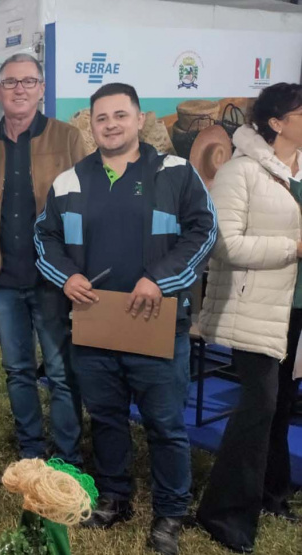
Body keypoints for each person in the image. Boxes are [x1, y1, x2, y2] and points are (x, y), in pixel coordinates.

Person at [35, 83, 216, 555]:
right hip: (96, 324)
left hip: (157, 320)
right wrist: (67, 276)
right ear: (90, 125)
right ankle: (115, 497)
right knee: (108, 417)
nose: (111, 125)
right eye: (101, 118)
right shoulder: (70, 180)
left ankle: (171, 511)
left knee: (164, 423)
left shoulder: (175, 173)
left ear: (140, 119)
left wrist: (160, 278)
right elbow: (45, 237)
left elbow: (204, 230)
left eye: (120, 115)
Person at [0, 53, 88, 461]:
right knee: (17, 370)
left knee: (61, 372)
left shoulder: (67, 139)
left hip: (54, 279)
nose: (19, 89)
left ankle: (67, 457)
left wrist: (77, 269)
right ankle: (31, 451)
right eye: (11, 82)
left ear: (42, 89)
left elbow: (86, 207)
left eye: (28, 82)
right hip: (2, 281)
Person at [196, 82, 302, 553]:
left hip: (293, 305)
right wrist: (292, 248)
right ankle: (224, 514)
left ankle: (271, 493)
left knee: (280, 403)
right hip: (253, 303)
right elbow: (225, 244)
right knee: (258, 405)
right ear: (277, 122)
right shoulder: (241, 171)